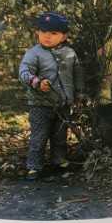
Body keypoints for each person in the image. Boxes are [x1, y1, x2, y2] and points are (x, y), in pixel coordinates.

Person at [19, 12, 84, 180]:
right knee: (39, 136)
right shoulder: (34, 53)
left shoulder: (70, 53)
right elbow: (24, 72)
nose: (47, 36)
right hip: (41, 104)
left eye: (54, 33)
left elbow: (77, 74)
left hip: (63, 104)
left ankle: (59, 160)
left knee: (60, 135)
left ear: (64, 36)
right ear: (37, 33)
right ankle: (34, 166)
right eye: (44, 32)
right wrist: (36, 81)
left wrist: (79, 94)